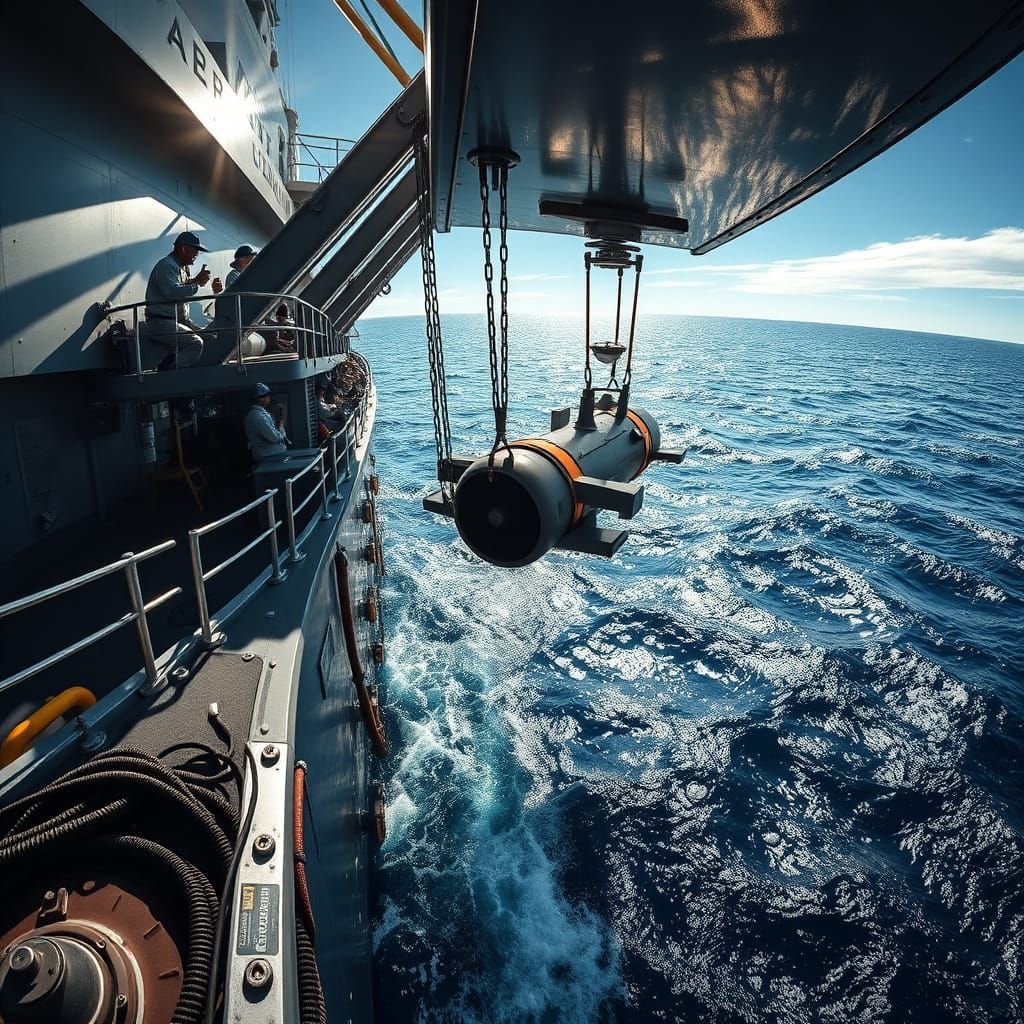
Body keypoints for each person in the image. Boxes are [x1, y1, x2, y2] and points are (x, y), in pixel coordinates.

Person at [142, 230, 222, 370]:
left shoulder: (182, 268)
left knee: (210, 337)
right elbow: (172, 292)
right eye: (195, 250)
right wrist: (196, 282)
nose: (197, 254)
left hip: (178, 321)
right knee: (195, 343)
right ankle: (168, 374)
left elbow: (180, 287)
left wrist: (196, 281)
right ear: (184, 248)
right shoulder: (166, 265)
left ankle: (191, 368)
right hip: (160, 322)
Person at [244, 383, 288, 463]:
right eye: (267, 396)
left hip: (263, 455)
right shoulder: (260, 417)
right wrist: (281, 428)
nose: (269, 398)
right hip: (269, 456)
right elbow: (273, 437)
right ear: (261, 398)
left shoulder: (251, 414)